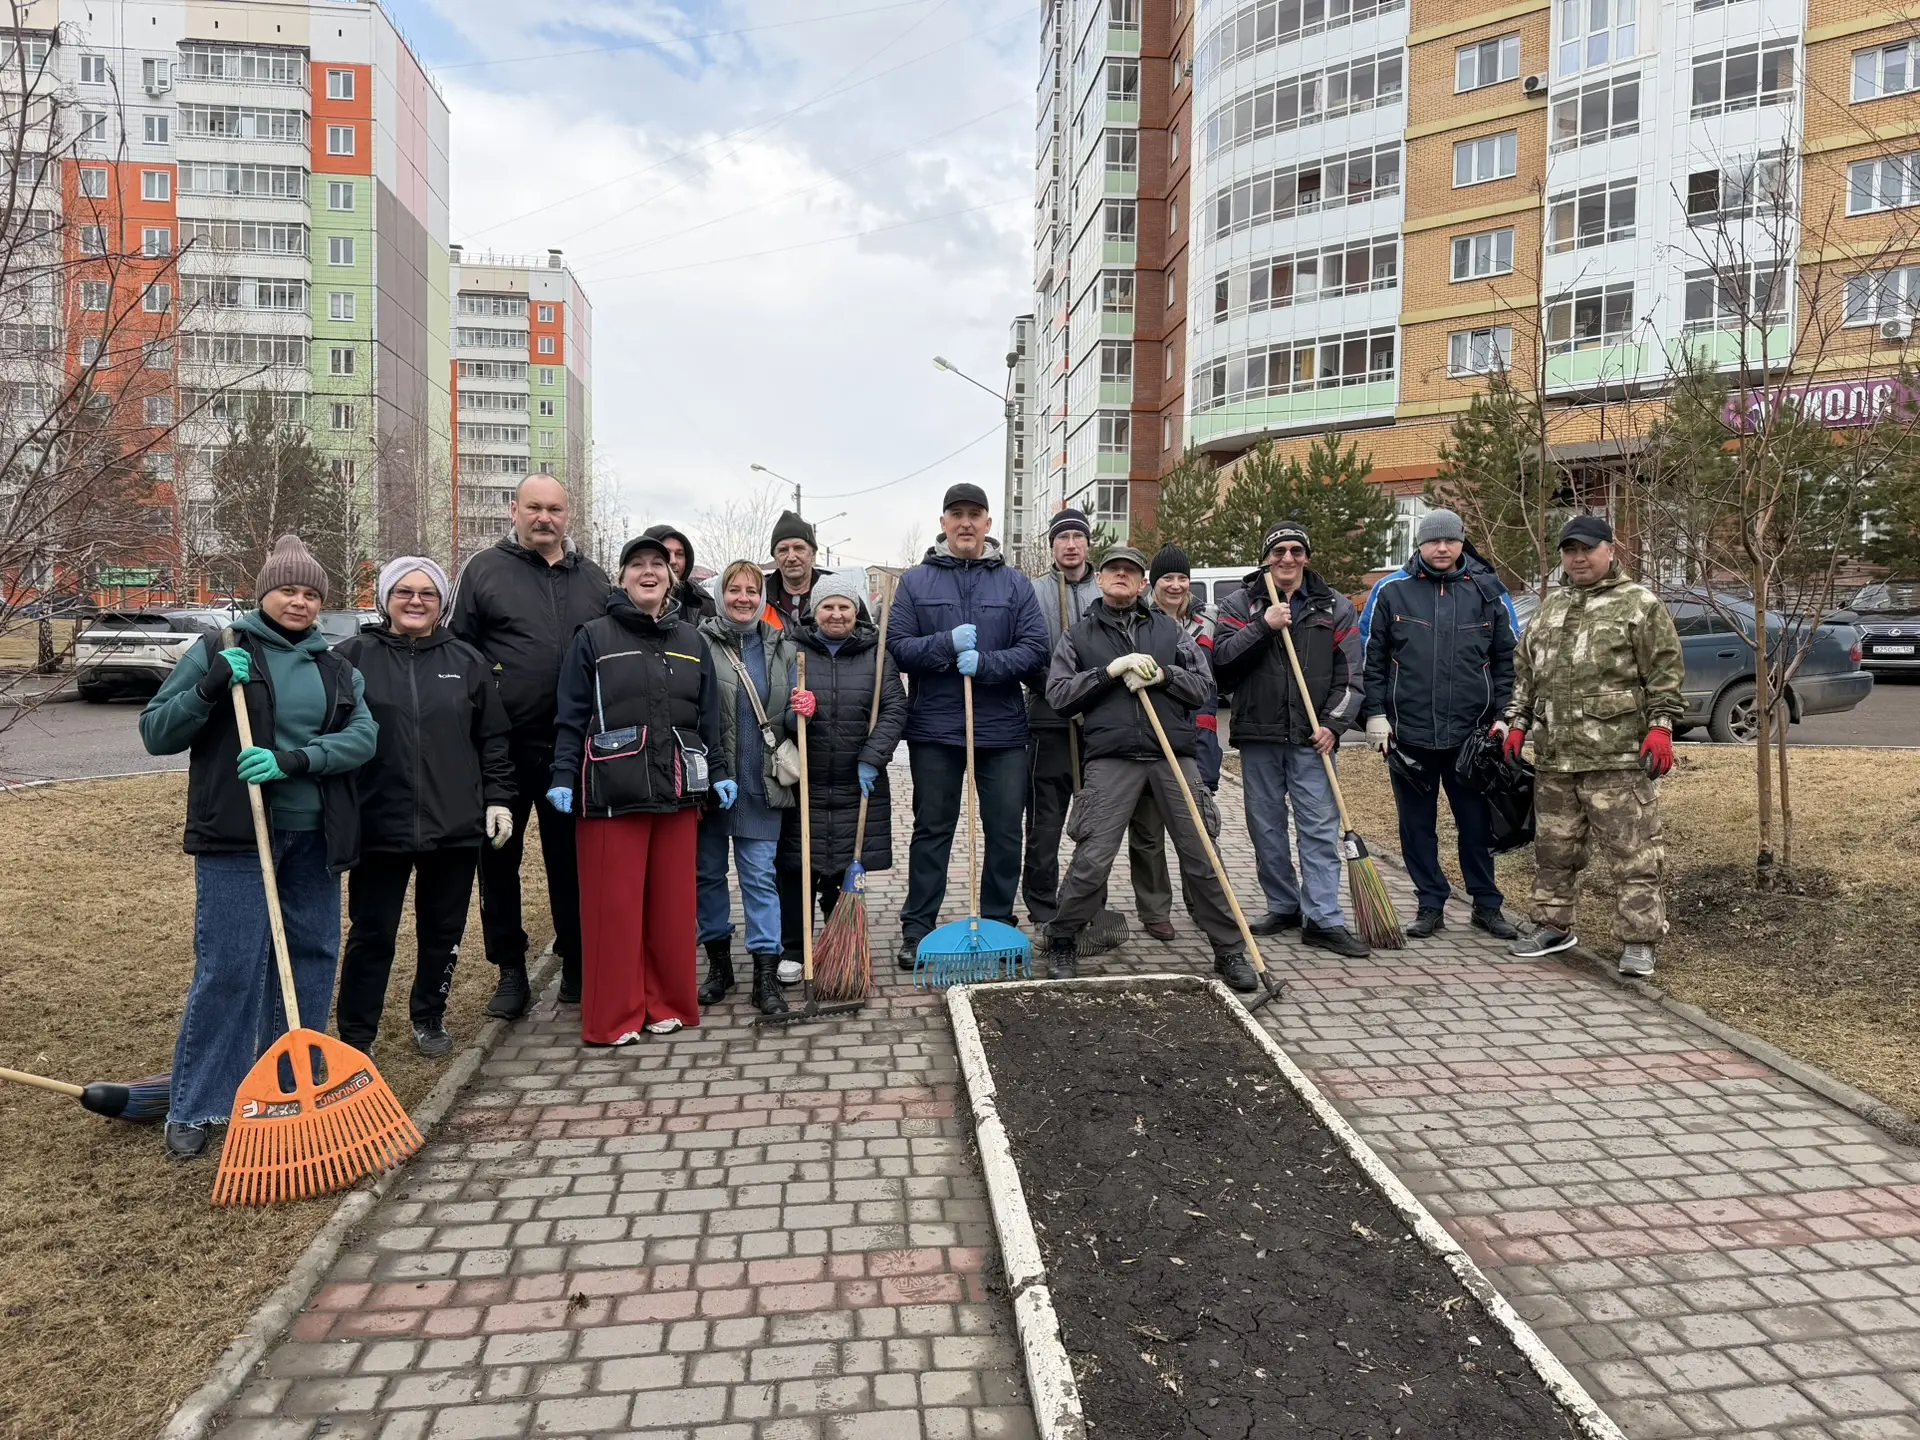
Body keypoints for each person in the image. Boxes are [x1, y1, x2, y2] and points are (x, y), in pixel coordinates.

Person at [139, 534, 378, 1160]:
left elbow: (362, 740)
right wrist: (210, 688)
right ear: (263, 593)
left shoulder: (338, 667)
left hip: (316, 835)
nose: (298, 601)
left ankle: (289, 1090)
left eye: (309, 593)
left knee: (311, 959)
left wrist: (293, 760)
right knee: (231, 966)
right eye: (287, 590)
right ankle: (200, 1103)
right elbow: (156, 734)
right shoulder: (221, 649)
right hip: (240, 835)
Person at [1041, 546, 1258, 991]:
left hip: (1170, 756)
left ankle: (1230, 949)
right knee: (1092, 859)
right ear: (1100, 580)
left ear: (1143, 584)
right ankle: (1062, 937)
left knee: (1202, 856)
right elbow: (1059, 695)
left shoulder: (1170, 631)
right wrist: (1108, 672)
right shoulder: (1077, 637)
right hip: (1111, 758)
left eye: (1131, 572)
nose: (1122, 577)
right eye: (1114, 571)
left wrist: (1164, 675)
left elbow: (1203, 688)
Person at [548, 534, 727, 1043]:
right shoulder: (594, 637)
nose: (649, 572)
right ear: (622, 577)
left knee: (671, 907)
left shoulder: (693, 642)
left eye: (658, 564)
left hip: (676, 791)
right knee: (614, 909)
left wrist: (718, 770)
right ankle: (614, 1017)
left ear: (672, 577)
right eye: (637, 565)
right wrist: (564, 776)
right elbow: (571, 715)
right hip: (609, 792)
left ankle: (666, 1002)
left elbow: (708, 717)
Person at [333, 557, 515, 1058]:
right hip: (378, 822)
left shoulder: (467, 660)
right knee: (372, 933)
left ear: (442, 603)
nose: (416, 602)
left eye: (428, 594)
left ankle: (429, 1015)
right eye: (404, 592)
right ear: (385, 599)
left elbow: (493, 739)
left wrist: (498, 797)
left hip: (454, 824)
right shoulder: (352, 657)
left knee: (443, 929)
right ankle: (356, 1035)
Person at [449, 473, 611, 1021]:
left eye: (556, 509)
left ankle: (577, 962)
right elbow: (459, 652)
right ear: (513, 510)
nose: (545, 518)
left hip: (574, 749)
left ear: (569, 516)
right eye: (534, 508)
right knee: (498, 860)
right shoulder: (484, 571)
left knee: (573, 862)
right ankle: (511, 970)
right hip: (502, 749)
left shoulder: (593, 578)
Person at [1502, 515, 1684, 977]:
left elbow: (1664, 673)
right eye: (1569, 550)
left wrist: (1661, 727)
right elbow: (1527, 673)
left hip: (1618, 757)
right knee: (1554, 851)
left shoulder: (1639, 604)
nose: (1578, 558)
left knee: (1634, 854)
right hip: (1556, 757)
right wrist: (1517, 723)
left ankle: (1640, 940)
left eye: (1586, 548)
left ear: (1609, 549)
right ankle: (1553, 925)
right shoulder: (1549, 607)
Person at [887, 482, 1051, 964]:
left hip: (1000, 728)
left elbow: (1035, 648)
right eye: (956, 514)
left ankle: (998, 922)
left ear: (987, 524)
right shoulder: (915, 582)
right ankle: (917, 928)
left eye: (974, 515)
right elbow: (898, 645)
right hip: (935, 728)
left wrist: (986, 663)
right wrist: (944, 645)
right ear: (943, 523)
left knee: (1004, 831)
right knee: (932, 829)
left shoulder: (1015, 584)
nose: (965, 523)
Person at [1358, 509, 1521, 942]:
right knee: (1416, 827)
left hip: (1471, 737)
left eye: (1451, 541)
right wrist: (1375, 714)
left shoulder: (1489, 592)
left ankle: (1487, 905)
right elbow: (1370, 660)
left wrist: (1503, 717)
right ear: (1420, 544)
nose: (1443, 549)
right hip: (1409, 735)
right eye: (1434, 541)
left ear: (1462, 542)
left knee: (1476, 826)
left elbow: (1508, 661)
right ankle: (1430, 904)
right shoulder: (1391, 591)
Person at [1213, 522, 1371, 959]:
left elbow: (1351, 676)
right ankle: (1283, 906)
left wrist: (1333, 725)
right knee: (1266, 830)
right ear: (1266, 556)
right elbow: (1222, 665)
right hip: (1258, 735)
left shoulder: (1334, 606)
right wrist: (1262, 625)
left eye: (1296, 551)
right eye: (1279, 550)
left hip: (1311, 737)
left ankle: (1323, 919)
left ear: (1306, 556)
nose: (1287, 558)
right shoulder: (1240, 603)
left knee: (1318, 830)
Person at [780, 571, 909, 973]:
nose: (836, 614)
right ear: (814, 612)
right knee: (795, 864)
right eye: (828, 606)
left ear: (857, 612)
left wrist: (873, 756)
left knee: (843, 869)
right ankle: (794, 950)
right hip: (806, 780)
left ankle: (838, 948)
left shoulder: (877, 653)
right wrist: (791, 714)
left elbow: (894, 709)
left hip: (857, 781)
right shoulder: (791, 651)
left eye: (844, 607)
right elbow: (773, 708)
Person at [696, 559, 798, 1015]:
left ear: (762, 598)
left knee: (759, 879)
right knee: (708, 878)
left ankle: (764, 976)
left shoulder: (781, 648)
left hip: (760, 786)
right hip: (711, 787)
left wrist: (803, 709)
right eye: (734, 589)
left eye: (751, 591)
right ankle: (719, 965)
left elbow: (789, 715)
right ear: (721, 594)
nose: (743, 598)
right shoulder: (698, 643)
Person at [1021, 507, 1124, 947]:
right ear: (1052, 546)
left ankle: (1087, 901)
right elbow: (1024, 652)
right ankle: (1043, 905)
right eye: (1061, 537)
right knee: (1045, 823)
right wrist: (1063, 693)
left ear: (1088, 544)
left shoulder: (1104, 593)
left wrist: (1092, 697)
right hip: (1048, 719)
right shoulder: (1033, 592)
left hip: (1099, 724)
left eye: (1077, 537)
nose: (1070, 544)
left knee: (1095, 822)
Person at [1126, 545, 1222, 941]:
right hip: (1148, 734)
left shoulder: (1208, 620)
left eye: (1182, 577)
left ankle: (1204, 904)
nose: (1176, 585)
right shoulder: (1134, 619)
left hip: (1198, 736)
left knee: (1199, 828)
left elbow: (1216, 678)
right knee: (1147, 830)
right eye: (1168, 578)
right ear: (1153, 582)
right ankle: (1155, 910)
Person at [764, 510, 832, 630]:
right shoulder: (758, 595)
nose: (791, 557)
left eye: (799, 548)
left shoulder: (835, 590)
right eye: (783, 550)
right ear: (775, 557)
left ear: (813, 553)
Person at [643, 522, 717, 622]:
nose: (673, 561)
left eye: (679, 554)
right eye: (665, 553)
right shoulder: (622, 604)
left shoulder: (703, 604)